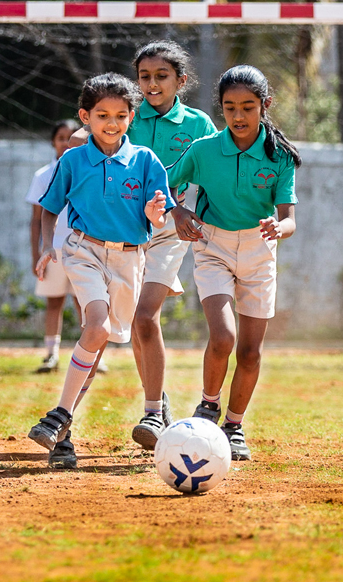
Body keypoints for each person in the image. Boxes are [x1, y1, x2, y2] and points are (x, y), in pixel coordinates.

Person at [27, 73, 173, 466]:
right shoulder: (73, 160)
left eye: (121, 116)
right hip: (83, 251)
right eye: (102, 115)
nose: (111, 123)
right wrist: (45, 247)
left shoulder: (146, 161)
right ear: (85, 117)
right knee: (96, 327)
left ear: (131, 117)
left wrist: (154, 214)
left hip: (130, 259)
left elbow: (160, 216)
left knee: (98, 343)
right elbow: (49, 208)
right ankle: (60, 416)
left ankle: (63, 430)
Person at [167, 65, 300, 461]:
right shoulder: (204, 150)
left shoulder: (280, 157)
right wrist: (178, 212)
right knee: (222, 337)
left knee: (250, 352)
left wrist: (279, 227)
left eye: (248, 107)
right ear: (221, 110)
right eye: (229, 108)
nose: (238, 116)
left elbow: (290, 217)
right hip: (213, 246)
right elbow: (167, 183)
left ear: (265, 105)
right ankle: (208, 406)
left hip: (260, 252)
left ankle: (234, 427)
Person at [125, 40, 217, 449]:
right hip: (126, 229)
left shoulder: (198, 124)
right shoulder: (127, 116)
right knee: (133, 321)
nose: (151, 83)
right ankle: (157, 401)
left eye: (161, 76)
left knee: (145, 315)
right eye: (144, 76)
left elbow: (210, 172)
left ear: (181, 80)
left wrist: (190, 211)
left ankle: (152, 412)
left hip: (169, 230)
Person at [25, 121, 83, 373]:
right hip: (54, 249)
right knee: (54, 302)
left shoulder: (87, 171)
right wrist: (36, 252)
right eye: (60, 137)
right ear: (53, 141)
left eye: (70, 137)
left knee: (86, 302)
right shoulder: (43, 176)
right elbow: (37, 220)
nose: (65, 142)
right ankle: (51, 354)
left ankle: (91, 355)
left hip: (82, 248)